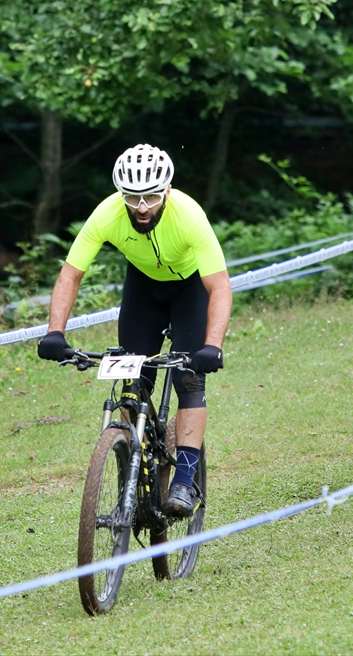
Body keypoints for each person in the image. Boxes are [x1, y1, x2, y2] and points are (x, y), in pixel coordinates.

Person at [36, 144, 232, 517]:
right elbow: (71, 274)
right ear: (120, 195)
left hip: (189, 290)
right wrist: (55, 332)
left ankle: (185, 477)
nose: (142, 207)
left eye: (151, 197)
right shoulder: (107, 214)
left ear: (167, 191)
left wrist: (213, 345)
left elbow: (219, 286)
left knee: (189, 379)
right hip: (143, 291)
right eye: (132, 197)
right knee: (131, 381)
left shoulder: (189, 215)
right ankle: (132, 468)